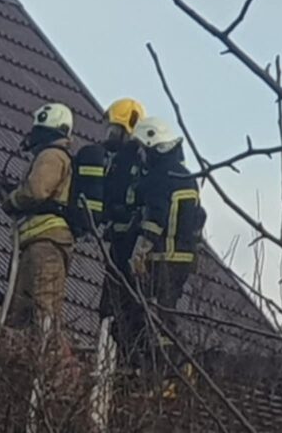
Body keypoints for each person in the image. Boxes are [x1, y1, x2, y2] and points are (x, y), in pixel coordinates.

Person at [128, 116, 205, 386]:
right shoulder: (187, 177)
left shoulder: (160, 177)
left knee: (154, 316)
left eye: (143, 148)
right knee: (165, 313)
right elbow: (198, 217)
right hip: (183, 258)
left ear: (154, 145)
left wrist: (140, 251)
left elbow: (156, 217)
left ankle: (168, 373)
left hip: (163, 257)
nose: (141, 155)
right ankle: (172, 371)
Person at [2, 102, 75, 334]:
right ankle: (22, 351)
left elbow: (36, 191)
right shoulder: (52, 156)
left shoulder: (52, 155)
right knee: (21, 311)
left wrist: (12, 200)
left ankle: (44, 352)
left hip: (47, 243)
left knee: (44, 310)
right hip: (36, 242)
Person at [95, 98, 149, 367]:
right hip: (118, 242)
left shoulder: (137, 158)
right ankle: (112, 364)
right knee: (112, 305)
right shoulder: (117, 160)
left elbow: (130, 200)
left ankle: (121, 366)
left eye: (115, 129)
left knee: (122, 307)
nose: (111, 135)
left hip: (128, 245)